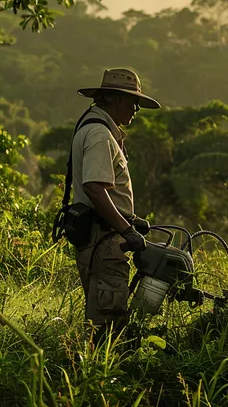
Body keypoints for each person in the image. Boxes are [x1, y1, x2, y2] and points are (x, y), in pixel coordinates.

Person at [71, 68, 160, 345]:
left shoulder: (99, 129)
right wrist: (125, 229)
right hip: (105, 240)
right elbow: (95, 189)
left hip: (104, 236)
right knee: (108, 321)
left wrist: (131, 219)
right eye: (133, 103)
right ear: (117, 100)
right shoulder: (99, 134)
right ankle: (102, 376)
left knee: (106, 313)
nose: (135, 109)